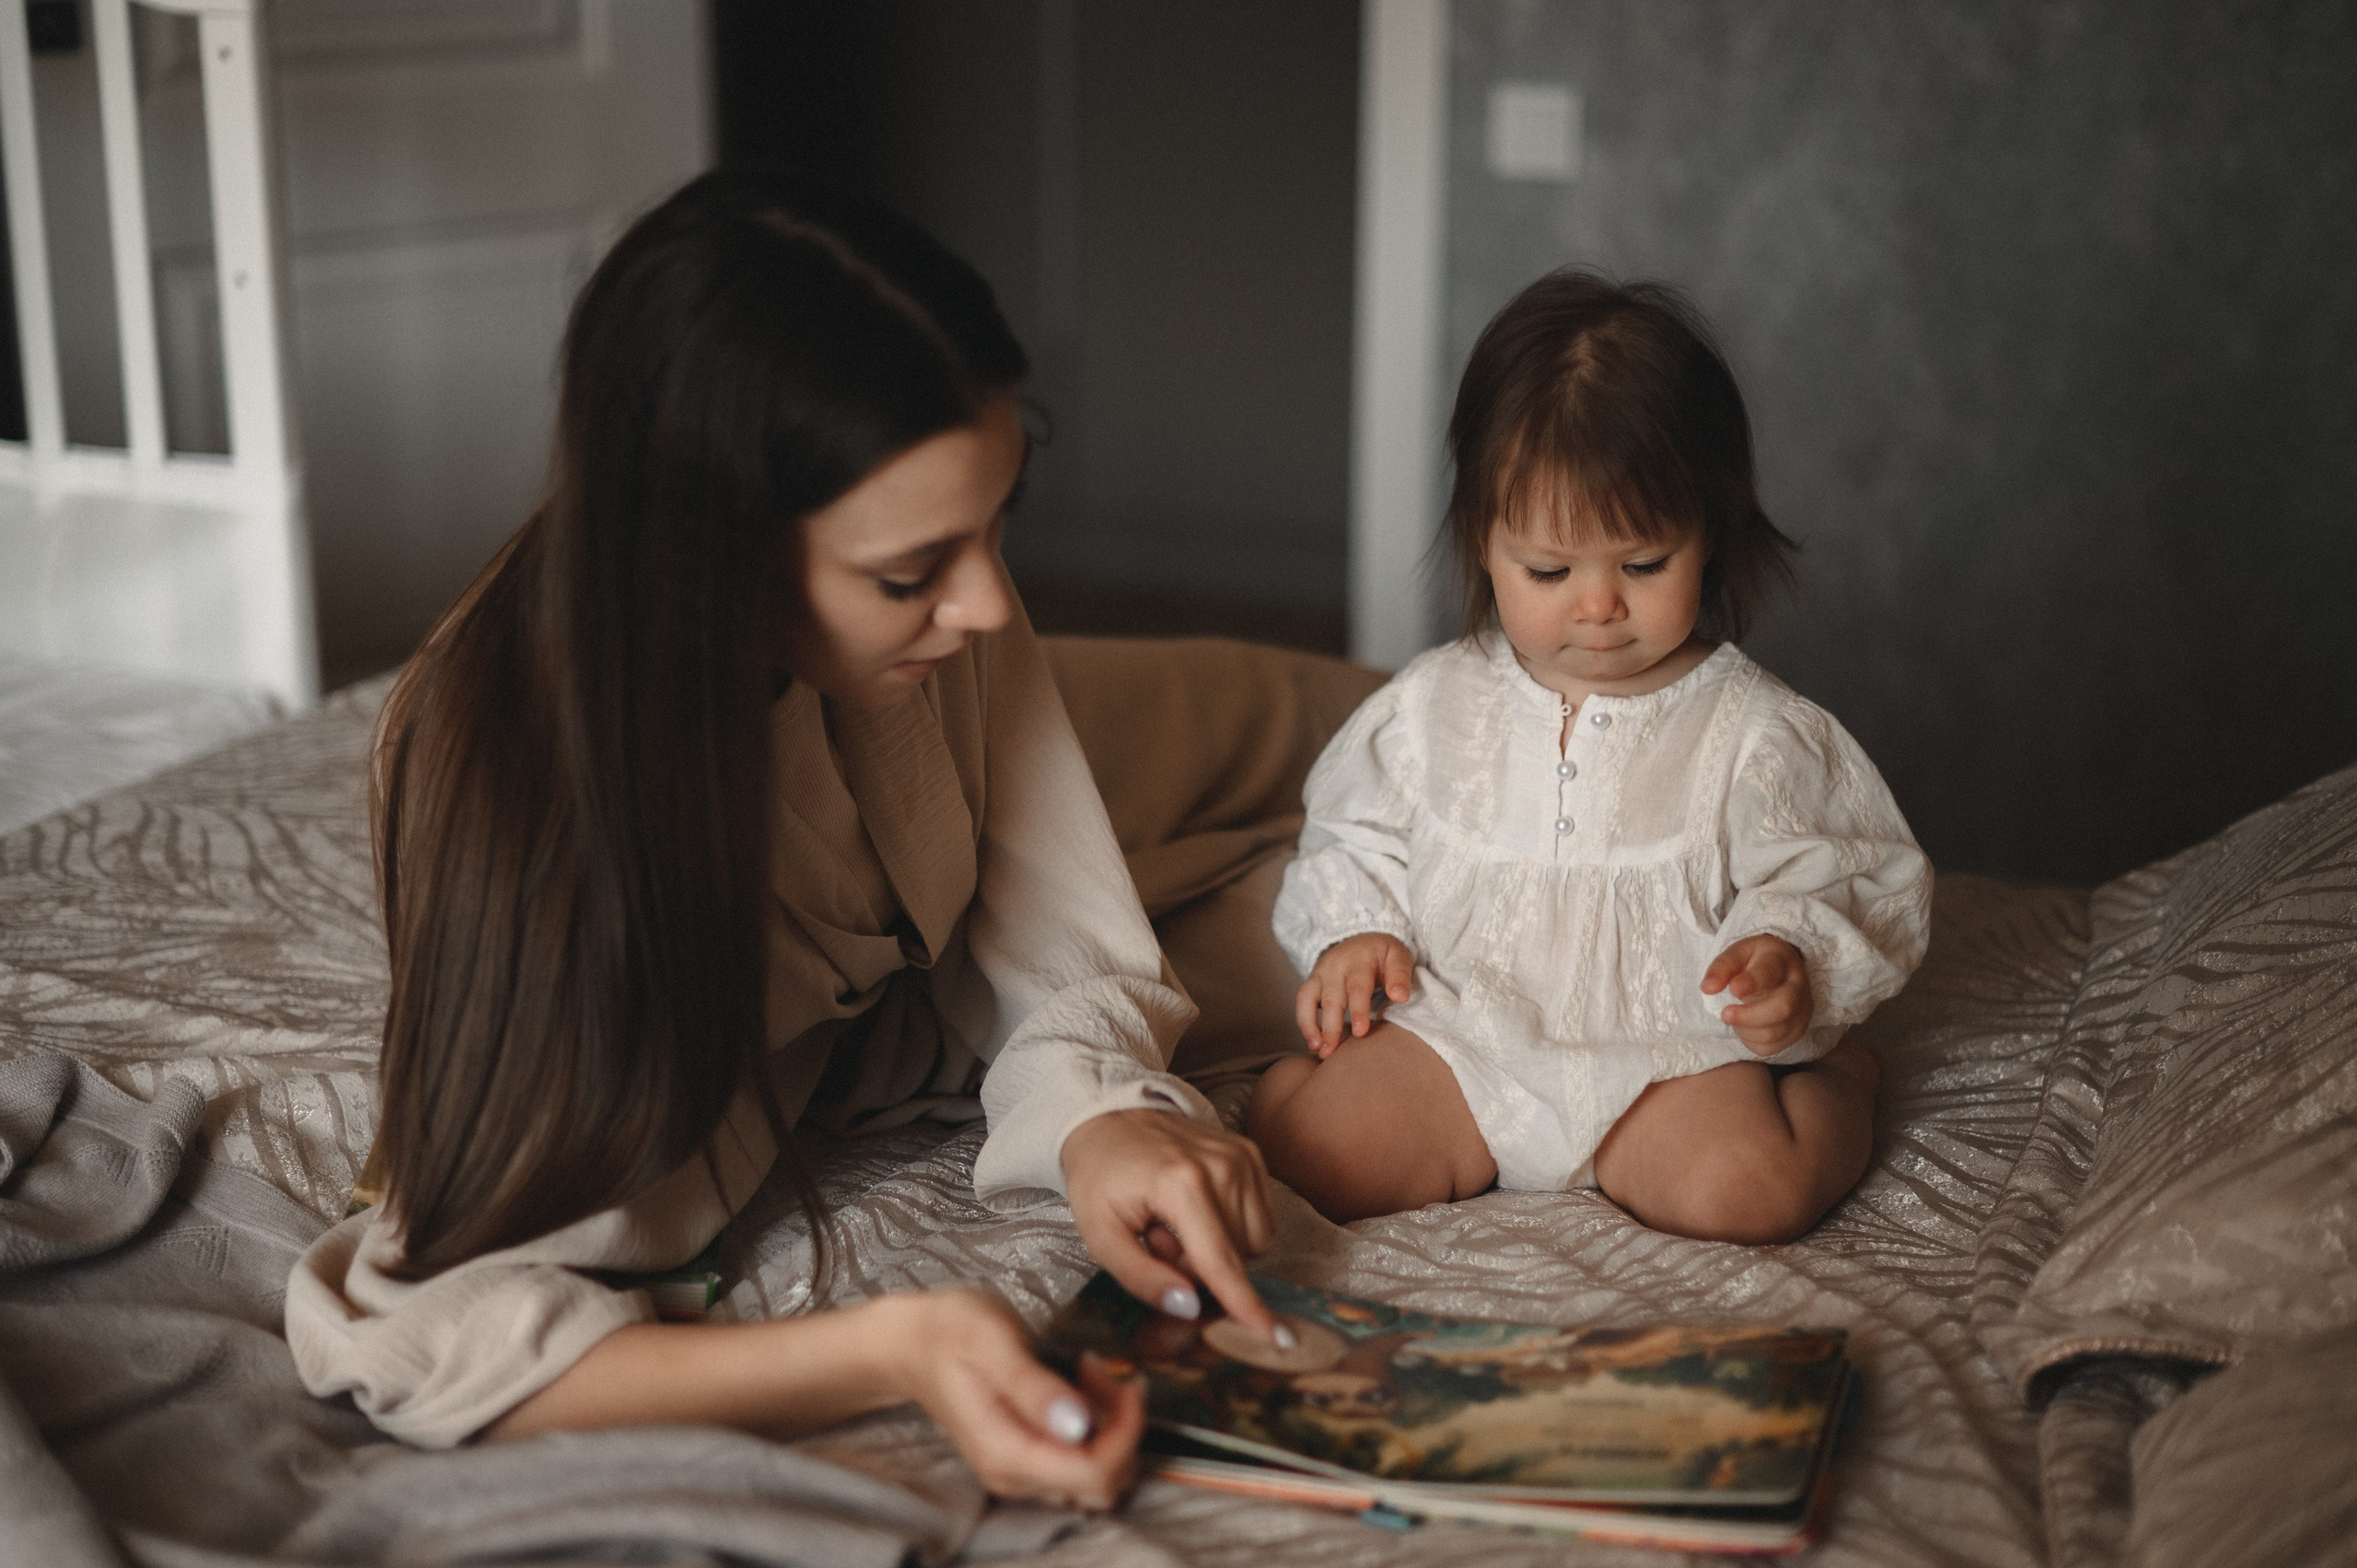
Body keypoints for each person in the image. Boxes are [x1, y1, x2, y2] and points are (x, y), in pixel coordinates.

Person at [284, 170, 1289, 1512]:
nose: (991, 597)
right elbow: (420, 1332)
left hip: (963, 755)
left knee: (1393, 725)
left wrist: (1104, 1112)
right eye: (913, 566)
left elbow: (1057, 923)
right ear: (718, 565)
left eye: (1000, 522)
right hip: (892, 941)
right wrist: (898, 1346)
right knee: (1368, 925)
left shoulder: (949, 624)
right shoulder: (536, 809)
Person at [1248, 270, 1932, 1243]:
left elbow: (1842, 871)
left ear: (1711, 536)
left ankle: (1839, 1089)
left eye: (1643, 565)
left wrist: (1793, 959)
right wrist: (1356, 929)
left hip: (1664, 1050)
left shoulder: (1756, 731)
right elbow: (1351, 831)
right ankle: (1294, 1084)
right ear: (1483, 543)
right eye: (1549, 570)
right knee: (1311, 1155)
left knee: (1749, 1189)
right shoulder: (1432, 705)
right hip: (1458, 1034)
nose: (1598, 605)